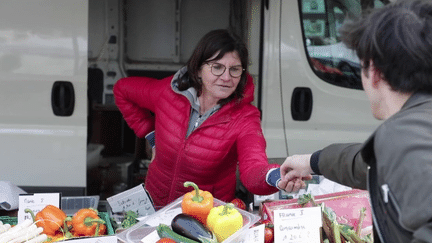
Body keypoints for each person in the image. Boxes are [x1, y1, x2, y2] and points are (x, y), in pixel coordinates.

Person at [278, 1, 432, 242]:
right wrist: (312, 161)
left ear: (374, 71)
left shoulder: (403, 134)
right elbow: (371, 164)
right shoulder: (415, 128)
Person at [114, 29, 293, 208]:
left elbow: (253, 167)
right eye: (217, 67)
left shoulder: (245, 117)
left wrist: (275, 177)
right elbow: (122, 90)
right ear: (198, 69)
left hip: (205, 220)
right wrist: (152, 136)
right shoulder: (168, 93)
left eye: (235, 70)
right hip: (154, 207)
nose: (226, 77)